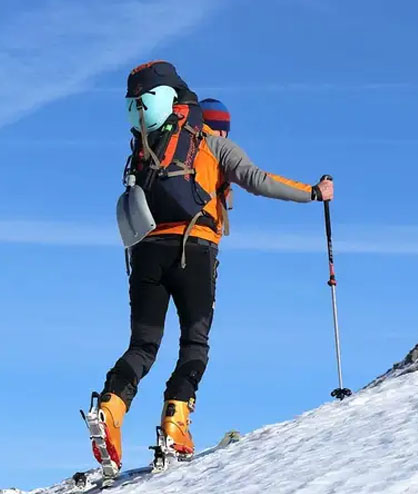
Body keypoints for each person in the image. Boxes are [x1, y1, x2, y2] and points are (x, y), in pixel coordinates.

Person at [90, 61, 333, 472]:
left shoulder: (150, 144)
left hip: (146, 250)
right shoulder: (213, 144)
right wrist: (313, 192)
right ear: (220, 125)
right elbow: (257, 179)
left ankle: (110, 410)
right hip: (194, 250)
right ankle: (175, 424)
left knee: (143, 345)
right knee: (194, 343)